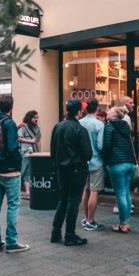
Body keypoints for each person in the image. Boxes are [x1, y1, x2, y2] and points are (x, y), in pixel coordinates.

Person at [0, 94, 29, 253]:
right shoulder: (9, 123)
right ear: (12, 106)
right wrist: (18, 163)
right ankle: (11, 241)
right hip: (11, 171)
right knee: (13, 205)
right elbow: (12, 148)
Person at [50, 99, 92, 246]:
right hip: (76, 169)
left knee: (63, 200)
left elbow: (53, 150)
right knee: (74, 201)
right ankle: (70, 234)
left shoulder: (58, 127)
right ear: (79, 112)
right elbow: (88, 154)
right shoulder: (80, 129)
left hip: (62, 169)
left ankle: (56, 232)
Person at [103, 107, 136, 234]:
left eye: (110, 111)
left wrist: (106, 160)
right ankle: (126, 222)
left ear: (115, 115)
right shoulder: (125, 126)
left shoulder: (109, 126)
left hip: (117, 163)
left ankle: (123, 224)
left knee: (121, 194)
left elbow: (106, 145)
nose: (108, 112)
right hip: (129, 163)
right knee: (126, 192)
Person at [80, 99, 105, 231]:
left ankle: (85, 217)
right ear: (97, 109)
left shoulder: (79, 123)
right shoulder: (99, 124)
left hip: (83, 162)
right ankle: (90, 221)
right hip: (96, 161)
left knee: (86, 189)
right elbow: (101, 145)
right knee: (94, 190)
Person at [18, 110, 41, 198]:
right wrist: (30, 141)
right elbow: (19, 138)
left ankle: (28, 192)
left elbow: (38, 141)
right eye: (34, 117)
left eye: (37, 118)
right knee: (22, 171)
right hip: (24, 153)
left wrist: (39, 153)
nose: (36, 119)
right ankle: (18, 191)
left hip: (33, 154)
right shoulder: (23, 126)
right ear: (30, 117)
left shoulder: (37, 128)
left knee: (28, 173)